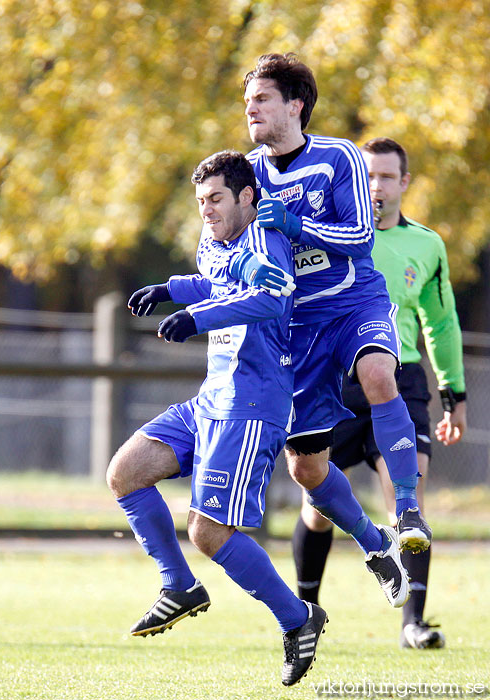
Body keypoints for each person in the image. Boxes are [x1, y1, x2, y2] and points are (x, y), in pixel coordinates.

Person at [107, 149, 328, 688]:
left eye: (216, 200)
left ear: (248, 197)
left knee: (206, 530)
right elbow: (216, 280)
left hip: (251, 405)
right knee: (125, 471)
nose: (206, 210)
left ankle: (299, 620)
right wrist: (173, 290)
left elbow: (271, 295)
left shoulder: (263, 242)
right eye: (201, 201)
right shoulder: (218, 240)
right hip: (211, 399)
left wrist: (197, 317)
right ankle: (178, 585)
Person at [228, 53, 432, 556]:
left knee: (380, 376)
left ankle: (407, 507)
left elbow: (361, 237)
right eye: (247, 101)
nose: (250, 110)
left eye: (262, 99)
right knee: (307, 470)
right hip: (298, 327)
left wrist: (296, 226)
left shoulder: (338, 157)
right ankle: (372, 544)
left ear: (296, 104)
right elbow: (221, 247)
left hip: (353, 305)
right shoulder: (246, 173)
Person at [292, 137, 467, 650]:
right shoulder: (326, 239)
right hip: (336, 381)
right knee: (315, 505)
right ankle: (306, 613)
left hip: (402, 380)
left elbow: (442, 323)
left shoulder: (426, 246)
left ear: (404, 183)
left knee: (406, 499)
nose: (376, 187)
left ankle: (413, 622)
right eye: (367, 176)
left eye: (387, 177)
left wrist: (453, 393)